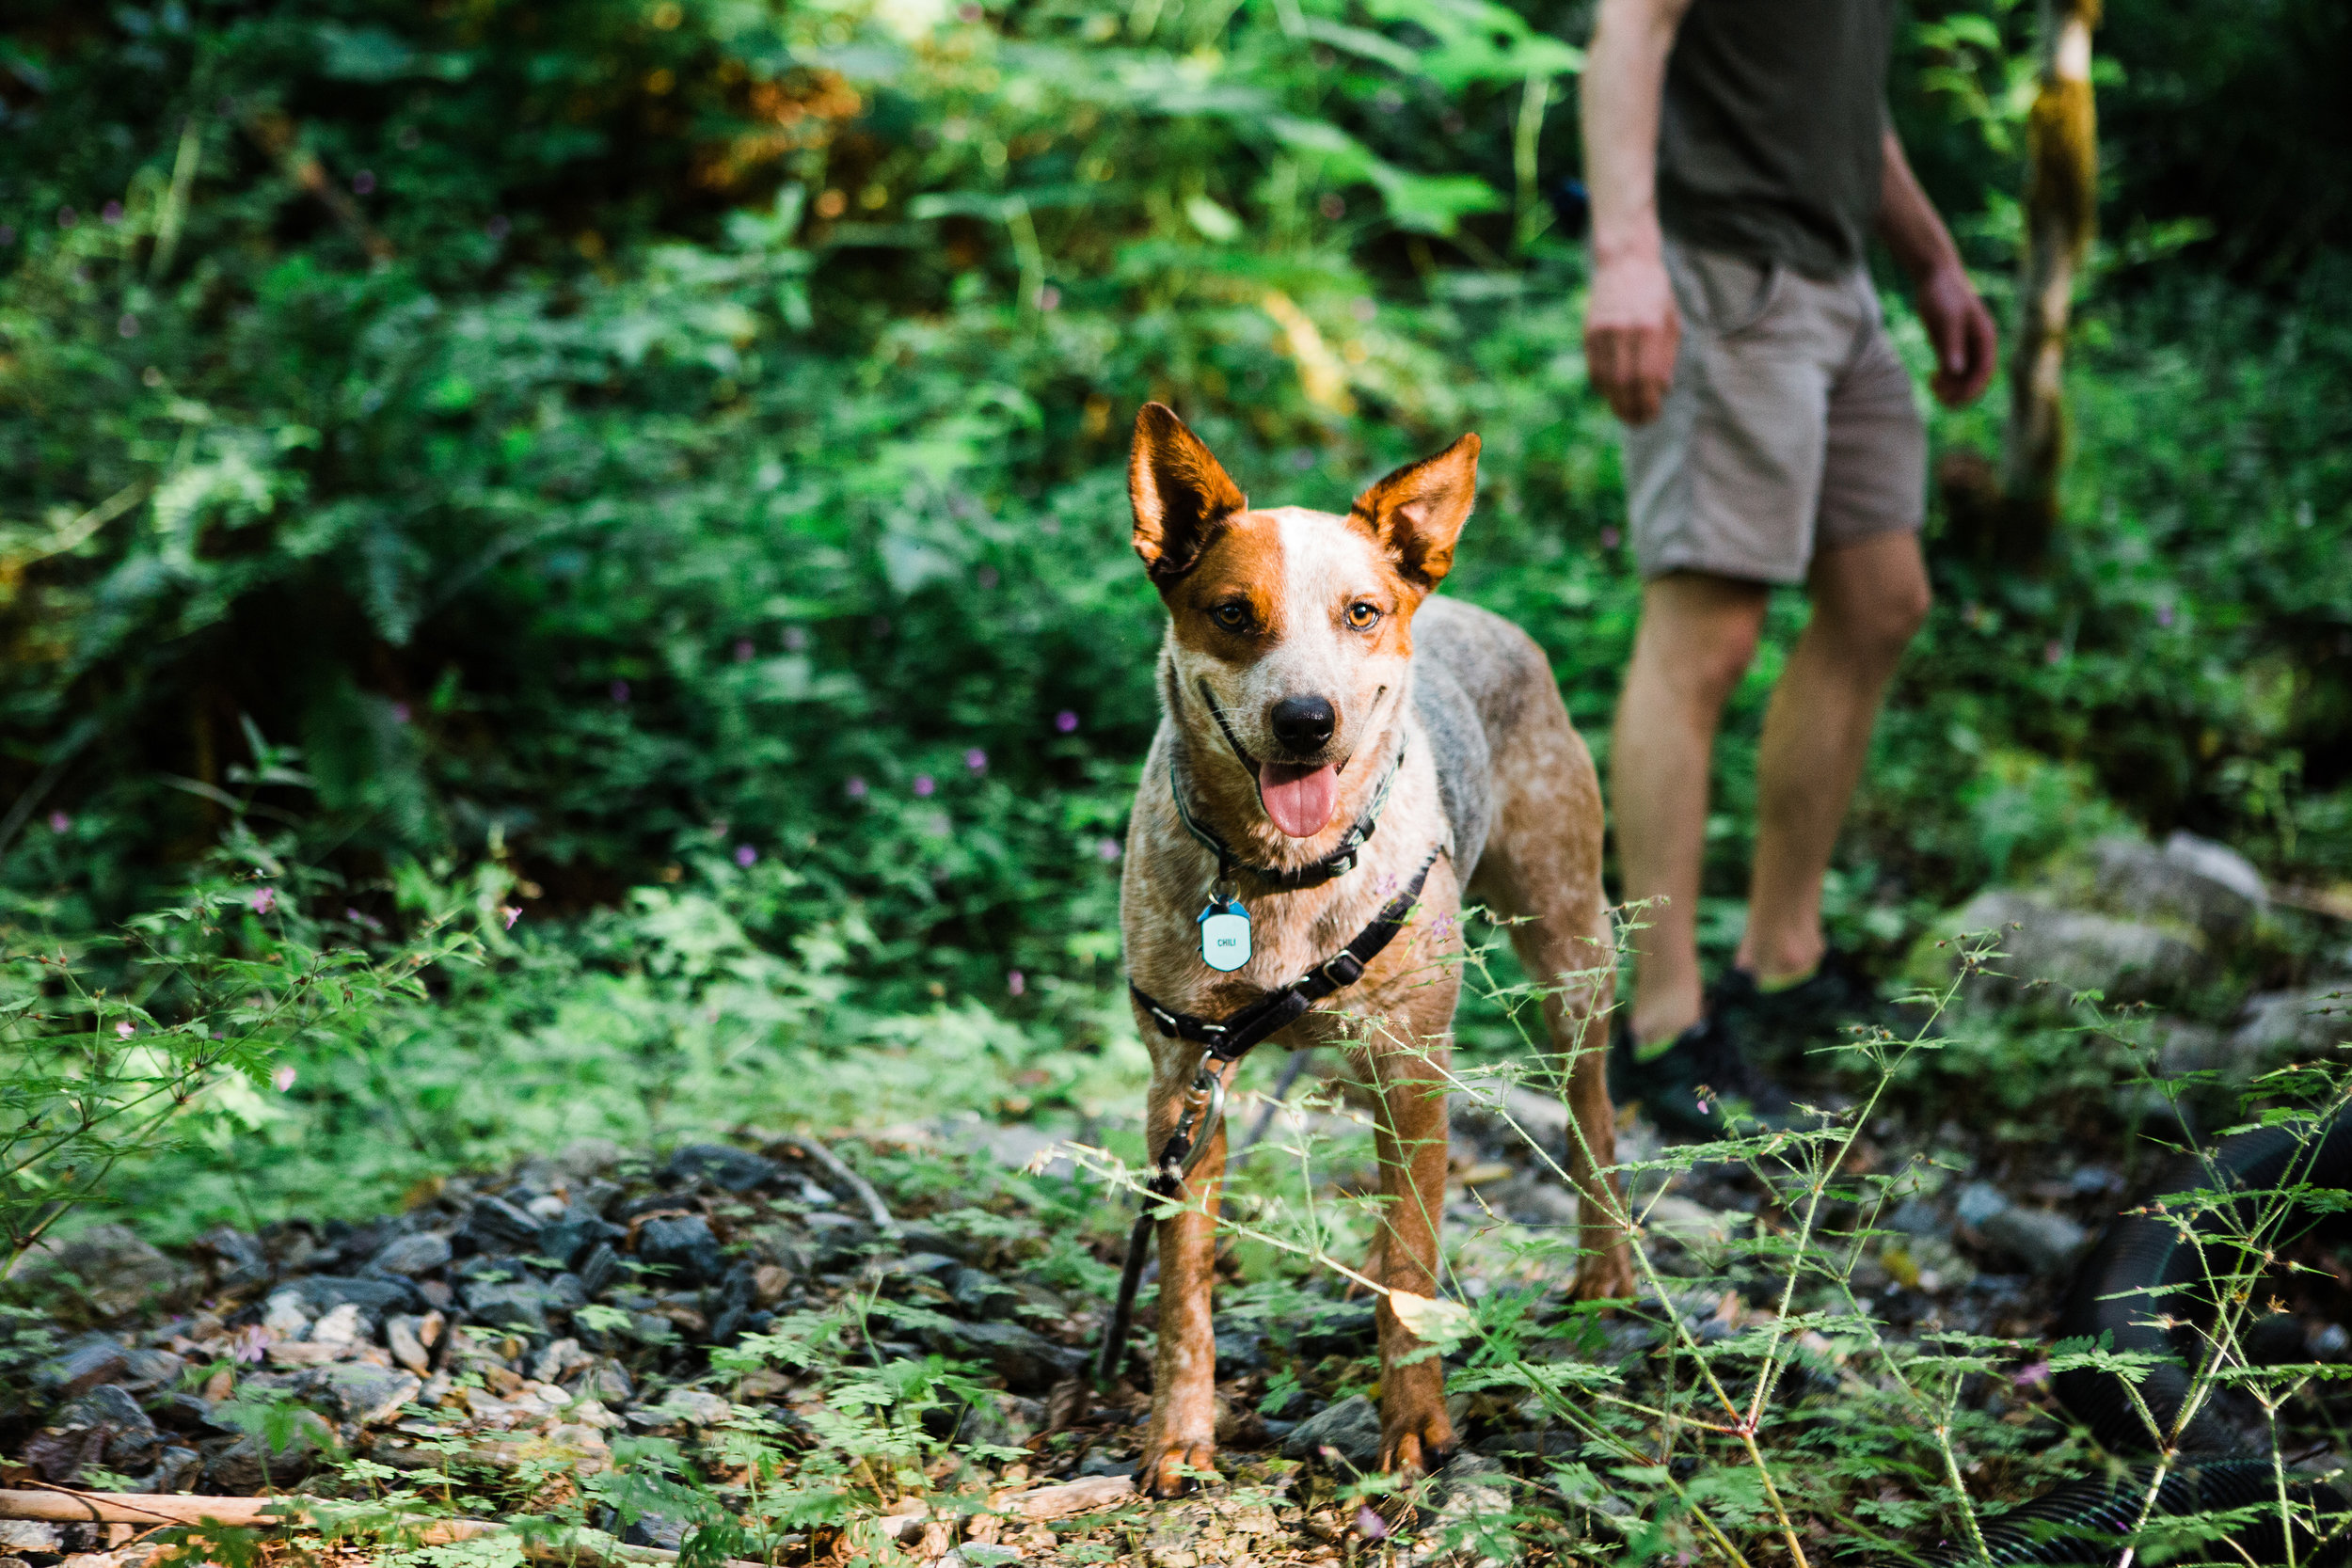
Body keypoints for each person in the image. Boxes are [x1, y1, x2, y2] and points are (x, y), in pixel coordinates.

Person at [1580, 0, 1998, 1132]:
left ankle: (1781, 957)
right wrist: (1626, 256)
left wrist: (1933, 259)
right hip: (1724, 272)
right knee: (1704, 637)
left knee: (1880, 599)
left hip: (1835, 280)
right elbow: (1629, 28)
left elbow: (1843, 108)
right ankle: (1661, 1025)